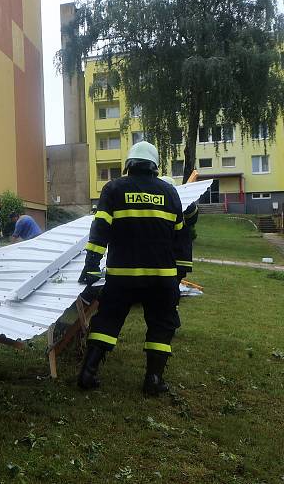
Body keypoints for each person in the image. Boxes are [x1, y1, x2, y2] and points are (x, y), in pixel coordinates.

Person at [77, 141, 186, 396]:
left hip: (122, 276)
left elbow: (100, 229)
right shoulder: (170, 194)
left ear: (129, 164)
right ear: (154, 166)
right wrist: (179, 275)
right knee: (162, 324)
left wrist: (91, 265)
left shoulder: (114, 189)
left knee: (108, 320)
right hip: (162, 278)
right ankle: (154, 380)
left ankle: (87, 373)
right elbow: (181, 239)